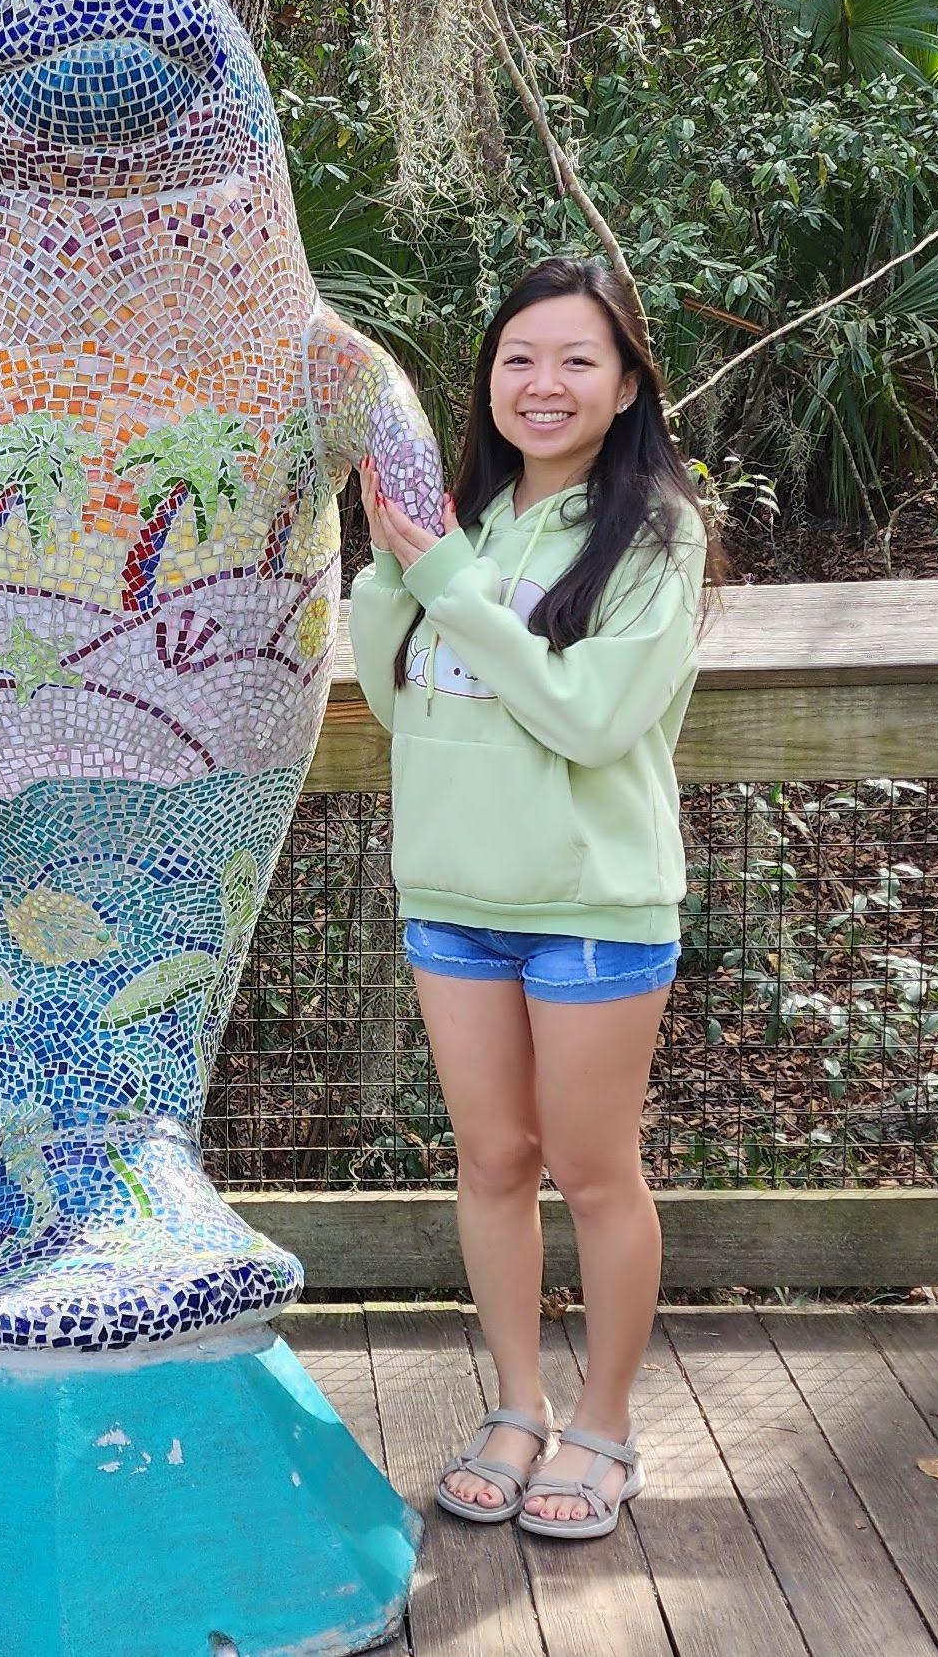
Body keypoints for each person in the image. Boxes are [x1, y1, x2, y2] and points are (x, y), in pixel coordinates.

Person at [349, 257, 719, 1541]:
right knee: (492, 1162)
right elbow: (400, 699)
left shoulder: (656, 534)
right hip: (451, 895)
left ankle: (603, 1427)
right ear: (486, 380)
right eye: (517, 358)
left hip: (591, 907)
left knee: (590, 1169)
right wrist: (397, 569)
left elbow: (587, 714)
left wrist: (447, 582)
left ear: (625, 386)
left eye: (575, 360)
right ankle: (517, 1407)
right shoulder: (468, 517)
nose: (541, 383)